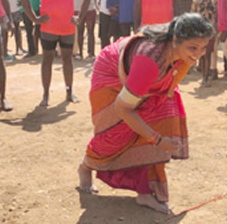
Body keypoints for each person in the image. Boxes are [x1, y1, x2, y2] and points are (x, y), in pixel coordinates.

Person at [78, 14, 213, 213]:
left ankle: (145, 192)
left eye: (203, 48)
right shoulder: (151, 60)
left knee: (162, 115)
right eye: (193, 47)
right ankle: (86, 167)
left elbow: (167, 86)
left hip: (143, 78)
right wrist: (157, 140)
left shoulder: (181, 55)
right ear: (175, 40)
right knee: (115, 132)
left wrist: (154, 129)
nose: (199, 54)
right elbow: (122, 108)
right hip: (111, 73)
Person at [20, 0, 91, 106]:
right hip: (48, 28)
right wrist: (35, 19)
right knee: (47, 60)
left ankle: (69, 91)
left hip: (67, 28)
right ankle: (45, 95)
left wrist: (79, 18)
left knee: (68, 60)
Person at [191, 0, 218, 86]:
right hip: (200, 31)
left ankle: (205, 77)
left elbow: (217, 14)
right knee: (202, 54)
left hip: (211, 30)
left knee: (208, 53)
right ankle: (204, 76)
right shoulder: (196, 1)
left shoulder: (214, 0)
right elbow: (192, 15)